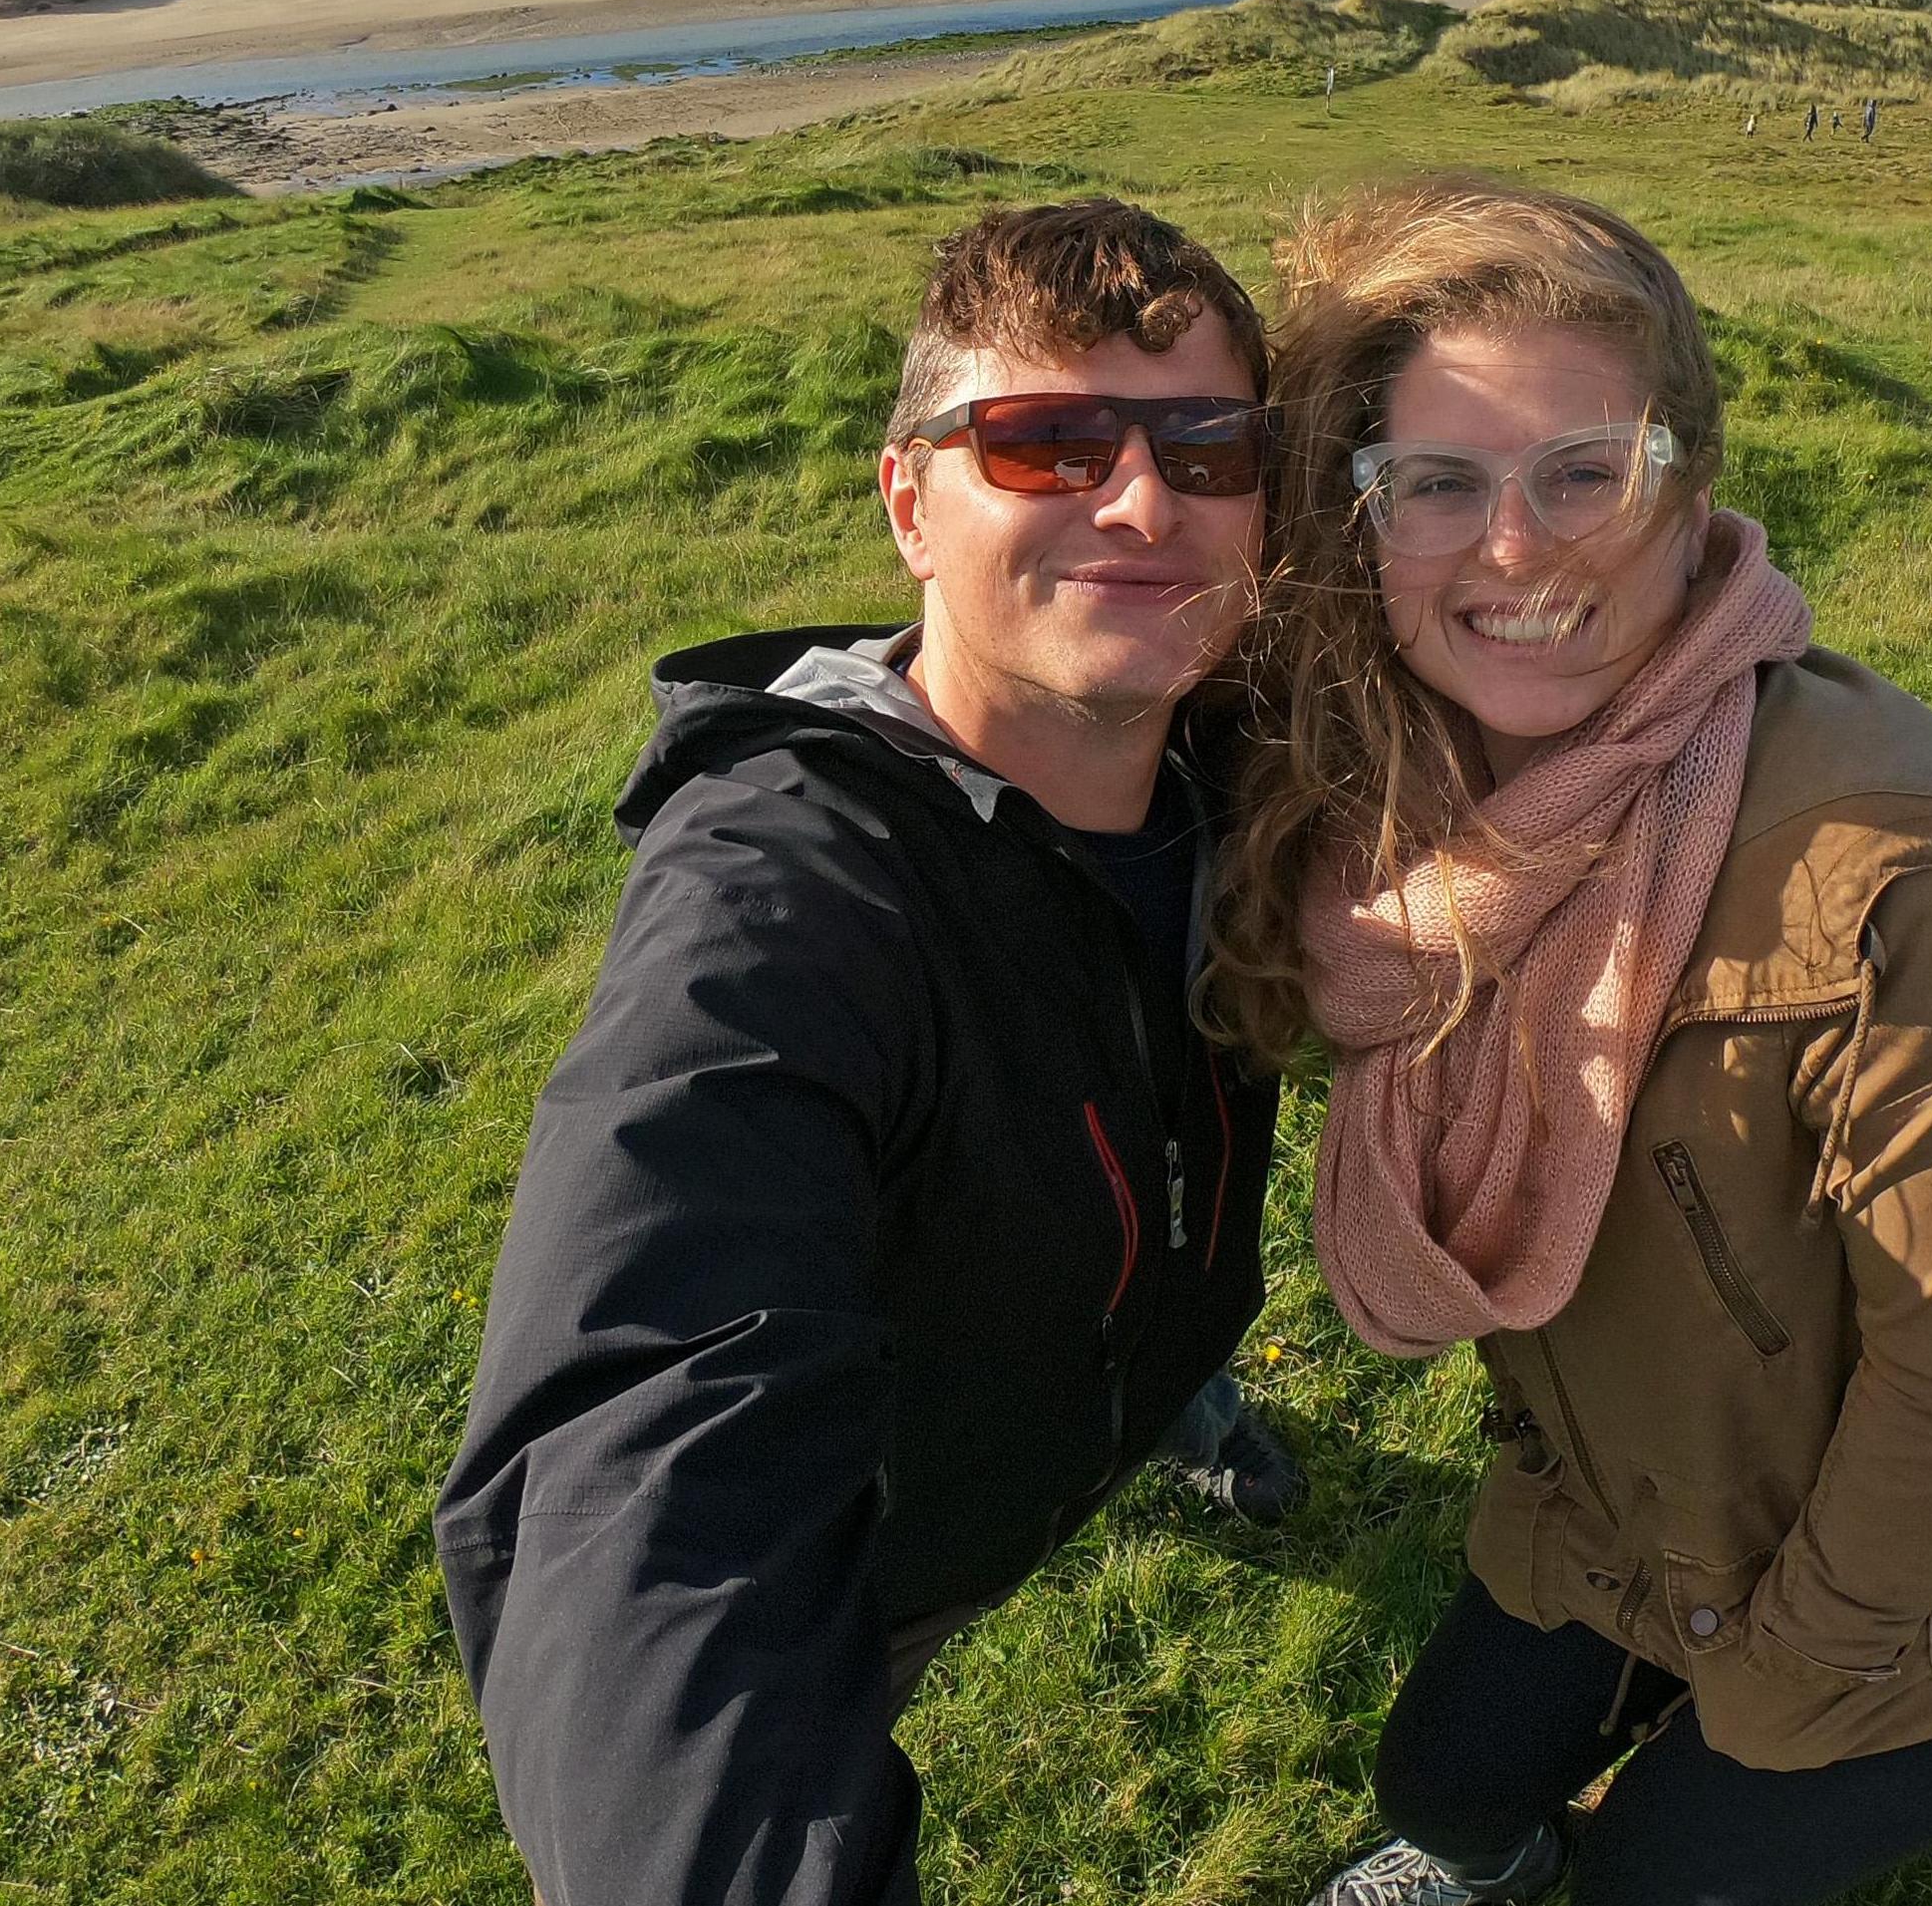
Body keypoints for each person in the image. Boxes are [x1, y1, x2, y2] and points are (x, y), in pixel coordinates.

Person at [1215, 177, 1932, 1906]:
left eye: (1585, 470)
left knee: (1648, 1884)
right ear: (1365, 522)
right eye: (1437, 483)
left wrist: (1793, 1661)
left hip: (1929, 1590)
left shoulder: (1882, 867)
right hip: (1610, 1514)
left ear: (1687, 478)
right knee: (1434, 1786)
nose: (1514, 549)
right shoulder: (1382, 809)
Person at [440, 198, 1303, 1906]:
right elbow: (648, 1443)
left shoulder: (1253, 770)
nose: (1142, 501)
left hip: (1133, 1305)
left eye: (1209, 448)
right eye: (1045, 444)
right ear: (910, 500)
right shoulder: (788, 893)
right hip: (916, 1514)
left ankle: (1183, 1407)